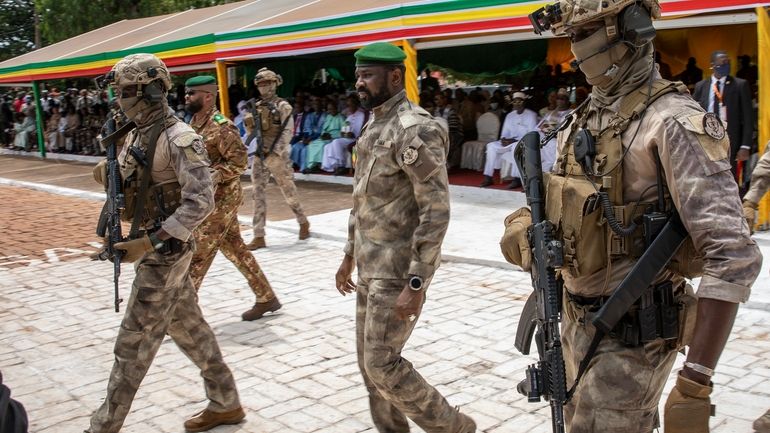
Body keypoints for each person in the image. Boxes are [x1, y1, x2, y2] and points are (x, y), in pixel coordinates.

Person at [500, 1, 761, 432]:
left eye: (586, 33)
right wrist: (524, 229)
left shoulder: (673, 123)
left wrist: (696, 380)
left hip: (634, 336)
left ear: (631, 28)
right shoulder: (581, 119)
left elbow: (732, 255)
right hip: (573, 325)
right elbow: (554, 205)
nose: (576, 48)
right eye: (572, 35)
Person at [86, 53, 244, 433]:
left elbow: (201, 201)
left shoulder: (179, 138)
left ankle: (103, 425)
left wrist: (151, 242)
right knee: (190, 328)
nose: (119, 99)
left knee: (133, 345)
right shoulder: (134, 132)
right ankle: (226, 402)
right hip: (151, 245)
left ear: (151, 91)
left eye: (125, 91)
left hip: (164, 251)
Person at [334, 42, 476, 433]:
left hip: (397, 272)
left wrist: (417, 281)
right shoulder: (374, 123)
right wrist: (349, 255)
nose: (359, 83)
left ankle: (453, 426)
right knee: (370, 366)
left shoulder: (416, 129)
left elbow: (436, 211)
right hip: (368, 267)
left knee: (382, 363)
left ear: (395, 77)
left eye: (368, 76)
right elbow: (363, 199)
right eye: (358, 75)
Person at [184, 75, 281, 322]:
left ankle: (181, 313)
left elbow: (239, 163)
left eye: (192, 93)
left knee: (199, 253)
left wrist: (215, 174)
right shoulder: (193, 124)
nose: (187, 97)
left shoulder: (222, 126)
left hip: (222, 199)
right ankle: (266, 297)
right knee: (235, 248)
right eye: (186, 93)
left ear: (207, 96)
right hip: (205, 198)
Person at [245, 67, 310, 249]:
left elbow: (288, 131)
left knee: (289, 192)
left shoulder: (283, 106)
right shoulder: (256, 106)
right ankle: (259, 235)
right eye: (260, 84)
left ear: (274, 84)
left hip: (277, 156)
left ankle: (303, 221)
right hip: (260, 154)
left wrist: (275, 151)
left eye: (267, 83)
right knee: (257, 193)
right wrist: (250, 123)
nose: (263, 87)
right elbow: (251, 131)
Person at [693, 50, 755, 179]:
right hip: (707, 139)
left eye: (728, 62)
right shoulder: (701, 86)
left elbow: (748, 118)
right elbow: (694, 114)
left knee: (732, 178)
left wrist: (745, 145)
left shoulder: (740, 85)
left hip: (731, 140)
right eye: (722, 63)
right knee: (711, 178)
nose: (726, 65)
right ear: (713, 65)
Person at [479, 92, 539, 187]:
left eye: (520, 101)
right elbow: (504, 133)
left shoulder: (531, 115)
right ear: (513, 103)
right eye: (515, 102)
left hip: (523, 142)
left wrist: (513, 141)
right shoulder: (510, 115)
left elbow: (531, 136)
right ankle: (488, 176)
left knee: (516, 146)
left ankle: (517, 179)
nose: (517, 104)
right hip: (509, 142)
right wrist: (503, 139)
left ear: (524, 102)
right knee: (491, 146)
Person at [321, 94, 366, 174]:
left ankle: (341, 165)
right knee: (327, 146)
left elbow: (361, 130)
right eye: (347, 105)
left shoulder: (361, 115)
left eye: (350, 104)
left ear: (355, 104)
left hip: (355, 138)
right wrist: (343, 133)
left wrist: (353, 134)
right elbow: (344, 128)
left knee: (336, 142)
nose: (349, 107)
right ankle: (332, 167)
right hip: (347, 138)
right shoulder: (349, 116)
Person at [303, 101, 344, 173]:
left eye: (332, 109)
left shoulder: (341, 117)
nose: (331, 111)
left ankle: (319, 165)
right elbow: (323, 129)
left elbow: (343, 131)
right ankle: (312, 166)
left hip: (334, 138)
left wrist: (331, 136)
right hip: (325, 137)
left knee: (322, 145)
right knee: (312, 144)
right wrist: (323, 135)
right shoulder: (328, 116)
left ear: (336, 108)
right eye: (329, 109)